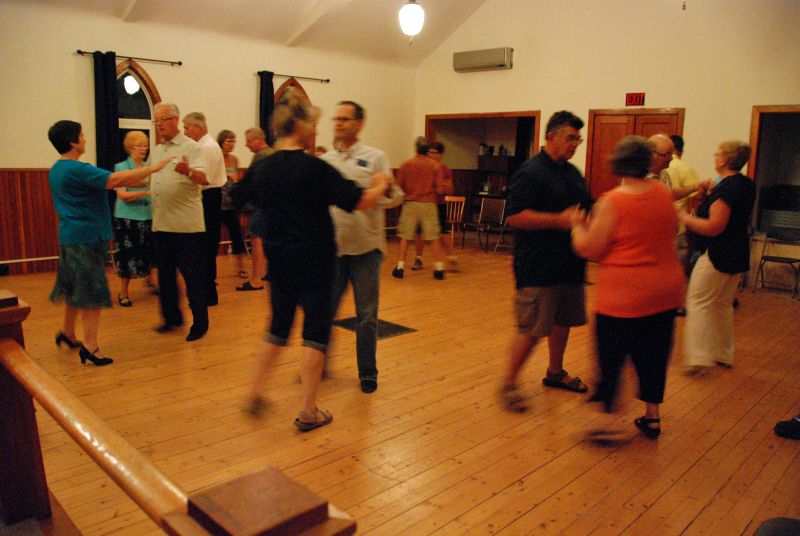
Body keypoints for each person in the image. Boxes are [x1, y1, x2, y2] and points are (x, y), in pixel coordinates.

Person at [232, 89, 390, 429]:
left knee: (278, 326)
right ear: (300, 126)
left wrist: (273, 210)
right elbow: (361, 201)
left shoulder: (264, 167)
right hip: (316, 262)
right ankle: (308, 410)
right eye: (314, 125)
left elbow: (237, 196)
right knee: (315, 333)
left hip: (279, 260)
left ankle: (255, 391)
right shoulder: (316, 169)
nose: (318, 130)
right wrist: (381, 184)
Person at [571, 136, 686, 439]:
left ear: (618, 163)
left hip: (625, 296)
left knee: (611, 358)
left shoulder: (613, 201)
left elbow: (591, 248)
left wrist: (577, 227)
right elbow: (669, 232)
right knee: (653, 357)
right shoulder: (662, 193)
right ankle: (652, 417)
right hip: (666, 291)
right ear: (648, 162)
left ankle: (609, 424)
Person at [47, 120, 172, 365]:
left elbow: (123, 181)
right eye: (81, 136)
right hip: (87, 237)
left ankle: (68, 333)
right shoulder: (78, 169)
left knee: (74, 287)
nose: (84, 139)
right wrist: (155, 168)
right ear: (73, 142)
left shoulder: (57, 169)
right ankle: (90, 347)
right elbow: (115, 180)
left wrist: (152, 178)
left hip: (71, 236)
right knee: (91, 293)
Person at [498, 111, 592, 412]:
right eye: (570, 138)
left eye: (578, 139)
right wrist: (558, 220)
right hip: (538, 266)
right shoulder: (530, 172)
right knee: (533, 328)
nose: (574, 144)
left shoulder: (573, 173)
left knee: (562, 320)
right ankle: (508, 383)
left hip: (570, 263)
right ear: (551, 136)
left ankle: (555, 372)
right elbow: (514, 216)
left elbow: (586, 209)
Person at [321, 100, 404, 393]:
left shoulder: (375, 157)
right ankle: (318, 365)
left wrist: (385, 187)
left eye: (345, 119)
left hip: (366, 250)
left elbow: (396, 197)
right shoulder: (326, 160)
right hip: (333, 250)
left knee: (366, 316)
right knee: (325, 312)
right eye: (336, 118)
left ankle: (367, 372)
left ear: (359, 124)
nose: (338, 123)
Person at [678, 140, 756, 373]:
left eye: (717, 155)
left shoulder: (725, 189)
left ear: (724, 160)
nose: (715, 158)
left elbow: (714, 227)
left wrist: (683, 216)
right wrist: (709, 195)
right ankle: (723, 354)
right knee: (722, 304)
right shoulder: (746, 184)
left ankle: (698, 358)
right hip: (738, 251)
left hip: (717, 253)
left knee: (698, 302)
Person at [149, 103, 210, 342]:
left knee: (193, 278)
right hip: (161, 224)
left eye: (163, 119)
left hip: (186, 227)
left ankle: (200, 324)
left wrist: (188, 171)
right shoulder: (157, 151)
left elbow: (204, 178)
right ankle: (172, 319)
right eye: (156, 120)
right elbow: (149, 180)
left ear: (175, 120)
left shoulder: (192, 147)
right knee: (165, 277)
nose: (159, 124)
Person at [183, 112, 227, 307]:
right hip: (208, 198)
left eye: (187, 128)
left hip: (208, 198)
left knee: (205, 247)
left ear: (197, 127)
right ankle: (206, 292)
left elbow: (204, 179)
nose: (185, 132)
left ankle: (208, 293)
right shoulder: (204, 145)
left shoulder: (207, 147)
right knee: (203, 247)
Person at [392, 140, 447, 279]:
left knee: (405, 237)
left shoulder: (406, 164)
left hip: (410, 204)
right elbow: (440, 190)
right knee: (434, 237)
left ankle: (400, 267)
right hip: (429, 204)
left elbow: (399, 186)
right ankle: (439, 269)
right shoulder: (435, 166)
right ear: (427, 150)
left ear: (416, 148)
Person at [113, 131, 156, 307]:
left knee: (151, 253)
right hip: (127, 219)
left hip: (148, 216)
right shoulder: (121, 168)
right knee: (127, 256)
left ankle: (152, 282)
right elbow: (123, 195)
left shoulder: (149, 167)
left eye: (145, 145)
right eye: (139, 145)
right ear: (129, 148)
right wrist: (146, 192)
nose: (143, 149)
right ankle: (123, 292)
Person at [236, 127, 274, 291]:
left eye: (248, 140)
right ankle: (271, 272)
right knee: (269, 240)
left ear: (259, 139)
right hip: (273, 206)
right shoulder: (273, 153)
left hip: (262, 205)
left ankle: (256, 280)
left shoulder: (261, 156)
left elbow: (251, 183)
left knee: (256, 240)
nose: (247, 144)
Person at [412, 141, 458, 272]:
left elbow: (449, 190)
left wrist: (441, 186)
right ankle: (418, 259)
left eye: (434, 153)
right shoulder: (423, 167)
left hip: (438, 204)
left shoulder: (445, 169)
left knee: (442, 234)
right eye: (429, 152)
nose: (431, 155)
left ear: (441, 154)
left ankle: (452, 259)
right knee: (419, 233)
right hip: (423, 203)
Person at [217, 130, 248, 279]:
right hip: (217, 203)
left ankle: (240, 268)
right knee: (213, 238)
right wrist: (225, 175)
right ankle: (209, 272)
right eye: (229, 141)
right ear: (221, 142)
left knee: (237, 236)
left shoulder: (234, 159)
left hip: (231, 204)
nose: (231, 144)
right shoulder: (216, 157)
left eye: (233, 141)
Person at [668, 135, 700, 273]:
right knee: (677, 268)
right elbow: (698, 195)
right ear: (680, 151)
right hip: (678, 225)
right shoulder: (685, 168)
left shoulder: (655, 168)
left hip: (656, 227)